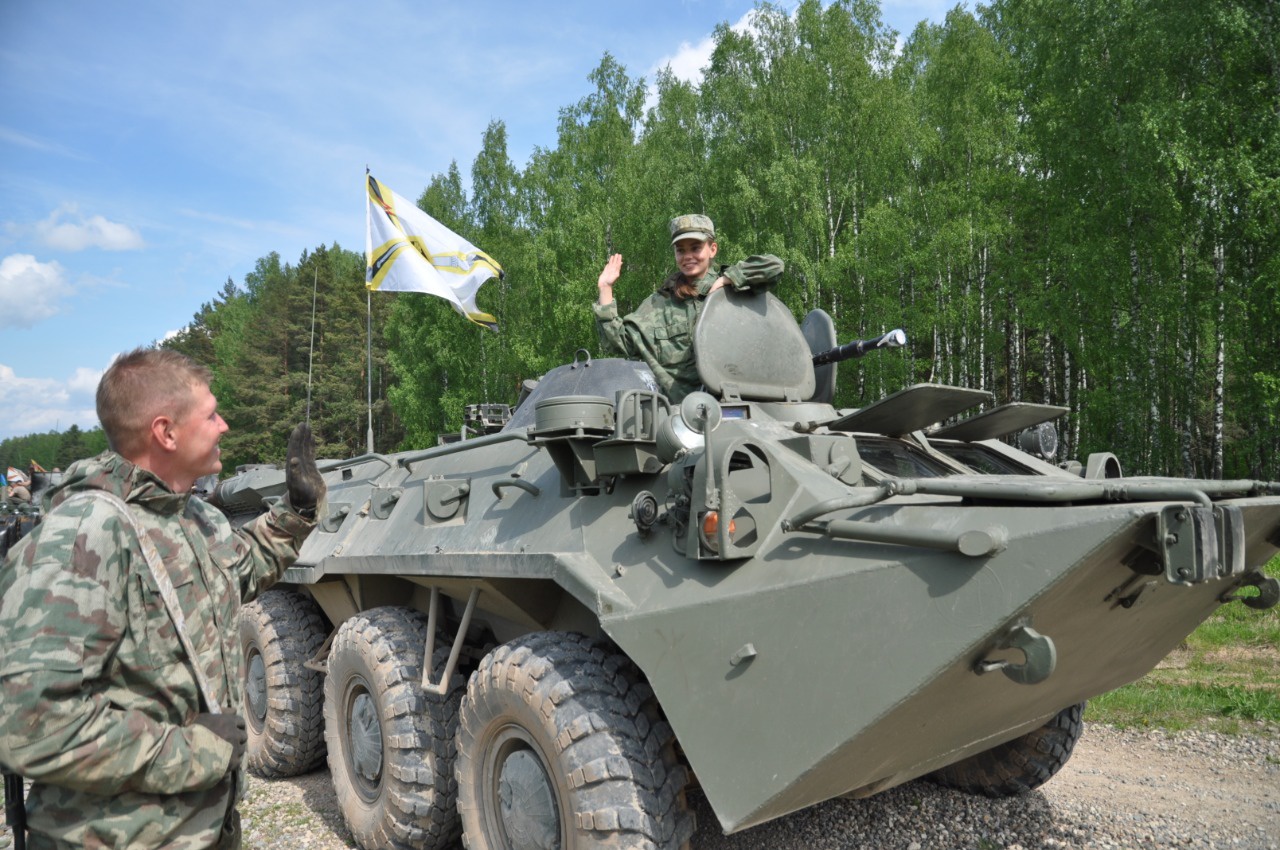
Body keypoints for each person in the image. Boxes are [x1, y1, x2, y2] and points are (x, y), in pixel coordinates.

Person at [0, 347, 326, 850]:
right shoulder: (84, 536)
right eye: (212, 414)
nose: (224, 426)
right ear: (166, 433)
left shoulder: (194, 520)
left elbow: (237, 571)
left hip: (201, 828)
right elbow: (30, 724)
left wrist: (298, 512)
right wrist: (195, 751)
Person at [594, 214, 784, 403]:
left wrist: (728, 279)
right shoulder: (660, 304)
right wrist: (605, 288)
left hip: (747, 408)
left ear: (712, 249)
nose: (688, 257)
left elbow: (774, 265)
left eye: (696, 248)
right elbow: (620, 342)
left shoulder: (735, 288)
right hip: (686, 417)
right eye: (681, 251)